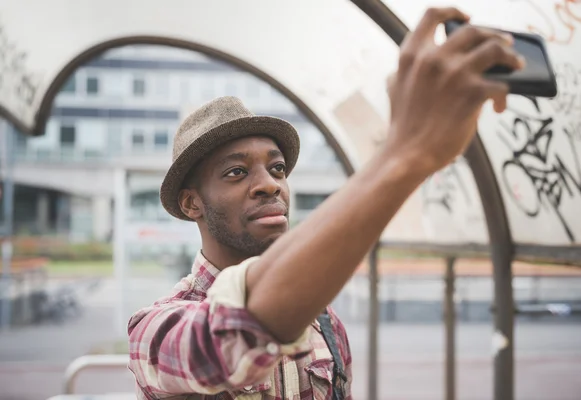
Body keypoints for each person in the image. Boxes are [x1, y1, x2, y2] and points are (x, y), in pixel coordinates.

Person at [127, 7, 525, 400]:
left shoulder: (323, 323)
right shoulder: (155, 329)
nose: (270, 185)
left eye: (278, 168)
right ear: (192, 203)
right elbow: (234, 331)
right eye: (236, 172)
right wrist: (405, 154)